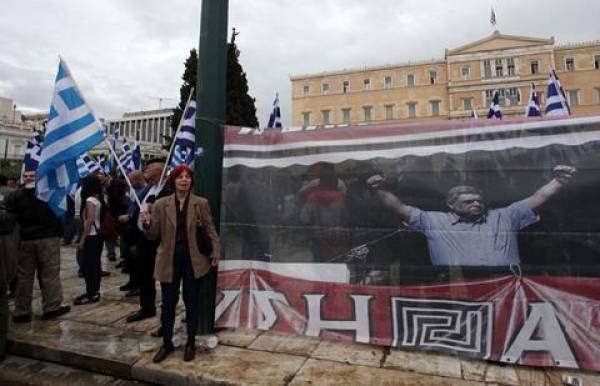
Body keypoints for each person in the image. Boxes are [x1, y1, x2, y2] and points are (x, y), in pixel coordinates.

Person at [368, 165, 577, 267]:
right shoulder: (434, 221)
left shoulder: (504, 216)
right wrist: (379, 189)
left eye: (478, 200)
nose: (476, 203)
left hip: (506, 285)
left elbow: (538, 196)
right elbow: (399, 207)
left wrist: (559, 179)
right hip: (456, 288)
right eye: (468, 201)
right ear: (451, 204)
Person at [140, 164, 220, 362]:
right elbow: (153, 235)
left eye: (187, 177)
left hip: (194, 260)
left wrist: (216, 251)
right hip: (169, 258)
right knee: (168, 303)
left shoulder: (200, 203)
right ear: (173, 180)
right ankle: (167, 343)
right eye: (179, 177)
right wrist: (147, 223)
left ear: (191, 181)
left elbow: (210, 230)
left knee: (191, 302)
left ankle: (190, 342)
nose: (184, 180)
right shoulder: (161, 204)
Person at [3, 170, 70, 322]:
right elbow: (60, 212)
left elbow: (10, 216)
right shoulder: (48, 194)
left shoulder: (15, 196)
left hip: (27, 239)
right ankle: (51, 307)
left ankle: (22, 310)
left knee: (24, 276)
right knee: (49, 274)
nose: (28, 178)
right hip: (47, 238)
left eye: (31, 176)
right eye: (26, 176)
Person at [126, 158, 172, 323]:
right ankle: (146, 307)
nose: (146, 169)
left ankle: (168, 313)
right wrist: (132, 239)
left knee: (167, 279)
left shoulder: (169, 188)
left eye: (150, 167)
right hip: (143, 239)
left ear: (160, 169)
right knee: (144, 274)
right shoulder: (147, 189)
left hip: (161, 240)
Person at [74, 175, 105, 305]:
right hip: (97, 236)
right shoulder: (98, 199)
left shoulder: (90, 201)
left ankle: (92, 292)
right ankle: (93, 291)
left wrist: (82, 240)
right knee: (95, 265)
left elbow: (89, 221)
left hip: (91, 236)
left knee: (89, 266)